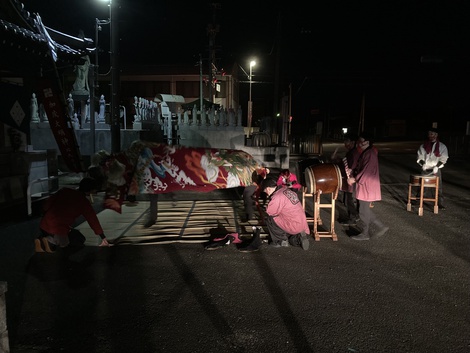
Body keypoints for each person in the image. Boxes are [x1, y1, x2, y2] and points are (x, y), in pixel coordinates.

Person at [35, 177, 110, 252]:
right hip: (58, 229)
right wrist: (103, 237)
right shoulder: (84, 202)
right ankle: (50, 241)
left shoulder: (64, 191)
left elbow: (46, 205)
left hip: (44, 224)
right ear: (90, 190)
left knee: (76, 235)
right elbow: (93, 220)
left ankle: (46, 238)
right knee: (69, 244)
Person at [347, 132, 389, 241]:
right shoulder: (367, 152)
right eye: (358, 142)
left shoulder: (369, 154)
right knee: (364, 209)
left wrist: (354, 179)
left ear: (367, 142)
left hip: (367, 186)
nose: (359, 144)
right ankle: (380, 226)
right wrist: (353, 172)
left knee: (363, 210)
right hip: (366, 185)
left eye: (361, 142)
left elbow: (366, 172)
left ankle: (366, 233)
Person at [261, 177, 310, 250]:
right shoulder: (287, 190)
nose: (267, 194)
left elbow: (270, 212)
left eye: (265, 192)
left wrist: (265, 208)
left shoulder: (277, 196)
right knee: (291, 239)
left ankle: (280, 241)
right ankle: (298, 238)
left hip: (292, 224)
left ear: (268, 189)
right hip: (302, 224)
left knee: (270, 219)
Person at [331, 134, 361, 225]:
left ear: (352, 142)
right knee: (348, 199)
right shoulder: (352, 152)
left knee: (349, 200)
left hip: (350, 179)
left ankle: (353, 217)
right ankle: (353, 216)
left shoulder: (353, 153)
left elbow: (350, 166)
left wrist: (338, 161)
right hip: (351, 179)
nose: (346, 145)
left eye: (347, 142)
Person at [417, 127, 449, 209]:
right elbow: (420, 157)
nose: (431, 135)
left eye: (433, 134)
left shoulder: (442, 146)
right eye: (430, 134)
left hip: (435, 169)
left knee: (438, 187)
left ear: (436, 135)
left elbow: (444, 158)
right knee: (422, 186)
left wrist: (437, 166)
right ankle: (419, 201)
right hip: (426, 168)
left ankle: (439, 203)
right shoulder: (423, 146)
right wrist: (423, 164)